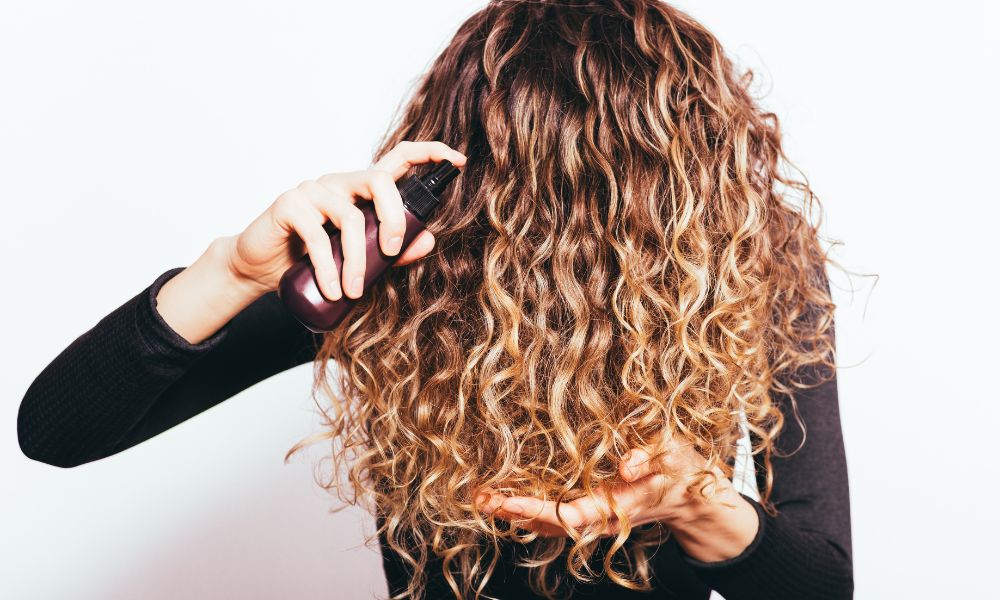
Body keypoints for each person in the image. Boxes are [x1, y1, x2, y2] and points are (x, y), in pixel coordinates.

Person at [16, 1, 853, 599]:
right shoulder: (405, 269)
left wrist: (693, 500)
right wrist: (231, 273)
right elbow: (56, 431)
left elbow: (824, 583)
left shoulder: (753, 262)